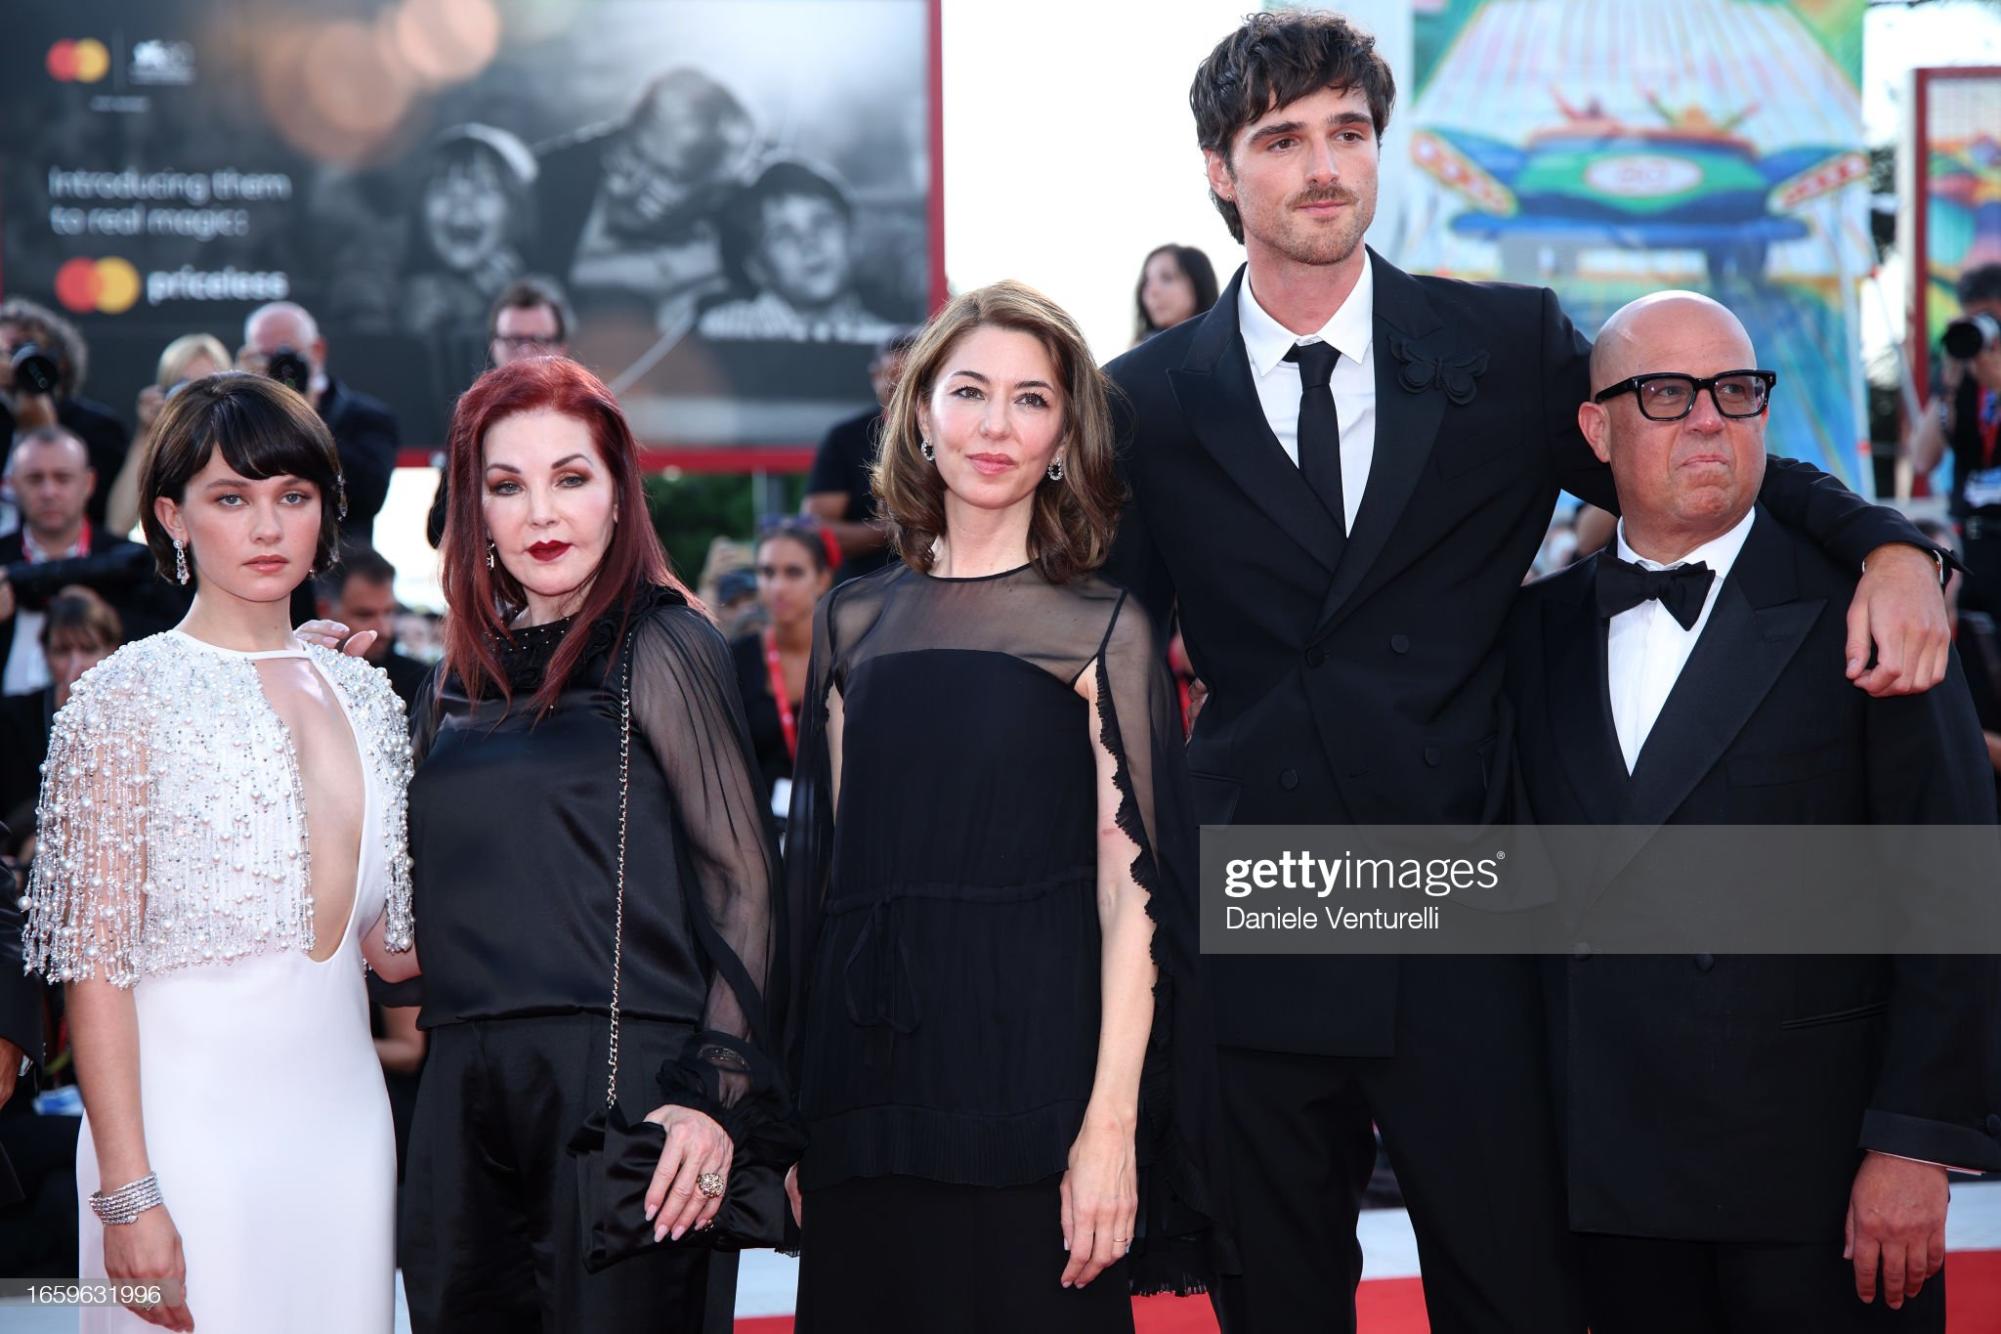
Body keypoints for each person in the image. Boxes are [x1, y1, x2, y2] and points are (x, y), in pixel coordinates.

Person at [1100, 13, 1958, 1333]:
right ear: (1223, 172)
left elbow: (1685, 436)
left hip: (1464, 892)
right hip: (1267, 892)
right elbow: (1108, 654)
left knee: (1515, 1290)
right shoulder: (1147, 395)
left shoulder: (1500, 347)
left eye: (1347, 132)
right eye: (1282, 140)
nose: (1322, 167)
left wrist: (1883, 541)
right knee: (1276, 1296)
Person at [1503, 291, 2001, 1332]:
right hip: (1605, 1185)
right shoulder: (1533, 634)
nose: (1707, 420)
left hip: (1818, 1187)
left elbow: (1952, 888)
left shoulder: (1871, 610)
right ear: (1597, 428)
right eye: (1668, 393)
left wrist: (1914, 1142)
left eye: (1736, 391)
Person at [782, 281, 1226, 1332]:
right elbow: (825, 881)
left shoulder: (1101, 628)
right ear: (922, 413)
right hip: (866, 1093)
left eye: (1031, 400)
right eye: (970, 390)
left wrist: (1110, 1126)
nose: (995, 424)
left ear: (1065, 437)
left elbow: (1140, 905)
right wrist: (798, 1115)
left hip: (1035, 1087)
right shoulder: (851, 623)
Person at [395, 355, 788, 1333]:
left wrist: (712, 1098)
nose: (541, 512)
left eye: (571, 477)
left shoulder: (663, 644)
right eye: (506, 484)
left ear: (619, 496)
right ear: (474, 510)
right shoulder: (445, 686)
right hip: (456, 1103)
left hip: (626, 1095)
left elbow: (748, 887)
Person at [21, 371, 417, 1333]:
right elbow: (95, 970)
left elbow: (395, 951)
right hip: (179, 1139)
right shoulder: (123, 700)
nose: (268, 528)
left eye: (292, 497)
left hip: (346, 1134)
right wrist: (127, 1192)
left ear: (326, 510)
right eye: (232, 498)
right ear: (173, 516)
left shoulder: (368, 696)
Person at [0, 428, 163, 696]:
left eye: (62, 478)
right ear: (13, 485)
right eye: (35, 479)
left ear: (88, 483)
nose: (49, 491)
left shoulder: (129, 563)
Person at [425, 275, 577, 548]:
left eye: (538, 339)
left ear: (561, 347)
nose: (526, 352)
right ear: (493, 347)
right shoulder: (472, 422)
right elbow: (439, 531)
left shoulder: (587, 420)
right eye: (513, 340)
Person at [239, 301, 401, 544]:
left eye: (286, 355)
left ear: (317, 350)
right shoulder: (237, 418)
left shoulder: (367, 417)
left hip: (339, 567)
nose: (278, 366)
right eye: (266, 356)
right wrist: (241, 398)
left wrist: (306, 417)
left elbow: (368, 498)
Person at [697, 161, 898, 344]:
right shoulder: (725, 331)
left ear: (853, 238)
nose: (809, 243)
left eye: (822, 222)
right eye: (783, 234)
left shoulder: (884, 341)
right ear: (757, 268)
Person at [730, 519, 835, 817]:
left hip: (835, 831)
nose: (777, 587)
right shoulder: (736, 658)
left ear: (822, 579)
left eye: (793, 572)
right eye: (766, 572)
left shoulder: (849, 655)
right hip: (758, 831)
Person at [1911, 263, 2001, 611]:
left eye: (1991, 318)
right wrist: (1948, 381)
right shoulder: (1960, 378)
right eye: (1974, 319)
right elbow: (1922, 458)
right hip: (1971, 540)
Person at [0, 298, 130, 530]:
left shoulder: (98, 428)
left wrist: (45, 430)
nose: (19, 360)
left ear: (60, 360)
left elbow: (104, 517)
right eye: (9, 351)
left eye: (27, 347)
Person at [0, 587, 122, 823]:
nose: (75, 665)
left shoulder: (133, 718)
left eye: (88, 650)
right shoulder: (11, 718)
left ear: (112, 650)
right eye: (62, 651)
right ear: (45, 654)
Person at [801, 330, 915, 580]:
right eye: (895, 378)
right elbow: (814, 529)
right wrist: (893, 528)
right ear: (876, 376)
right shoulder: (846, 438)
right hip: (863, 594)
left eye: (916, 379)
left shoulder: (955, 435)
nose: (904, 389)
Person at [105, 334, 233, 539]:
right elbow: (118, 525)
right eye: (184, 387)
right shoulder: (165, 454)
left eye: (208, 385)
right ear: (166, 394)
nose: (198, 399)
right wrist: (146, 433)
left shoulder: (242, 445)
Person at [317, 545, 428, 705]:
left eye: (389, 612)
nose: (384, 630)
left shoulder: (421, 684)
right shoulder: (302, 675)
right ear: (325, 610)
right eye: (365, 615)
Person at [1133, 244, 1220, 346]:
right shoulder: (1138, 356)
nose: (1152, 291)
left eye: (1167, 278)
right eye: (1146, 282)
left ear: (1197, 283)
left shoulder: (1229, 349)